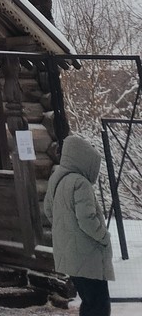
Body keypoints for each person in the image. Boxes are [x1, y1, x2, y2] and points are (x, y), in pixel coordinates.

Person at [43, 134, 115, 316]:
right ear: (84, 160)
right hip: (87, 255)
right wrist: (104, 237)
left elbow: (48, 211)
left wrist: (67, 232)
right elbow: (87, 220)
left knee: (89, 302)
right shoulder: (80, 183)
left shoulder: (56, 179)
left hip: (70, 255)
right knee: (99, 304)